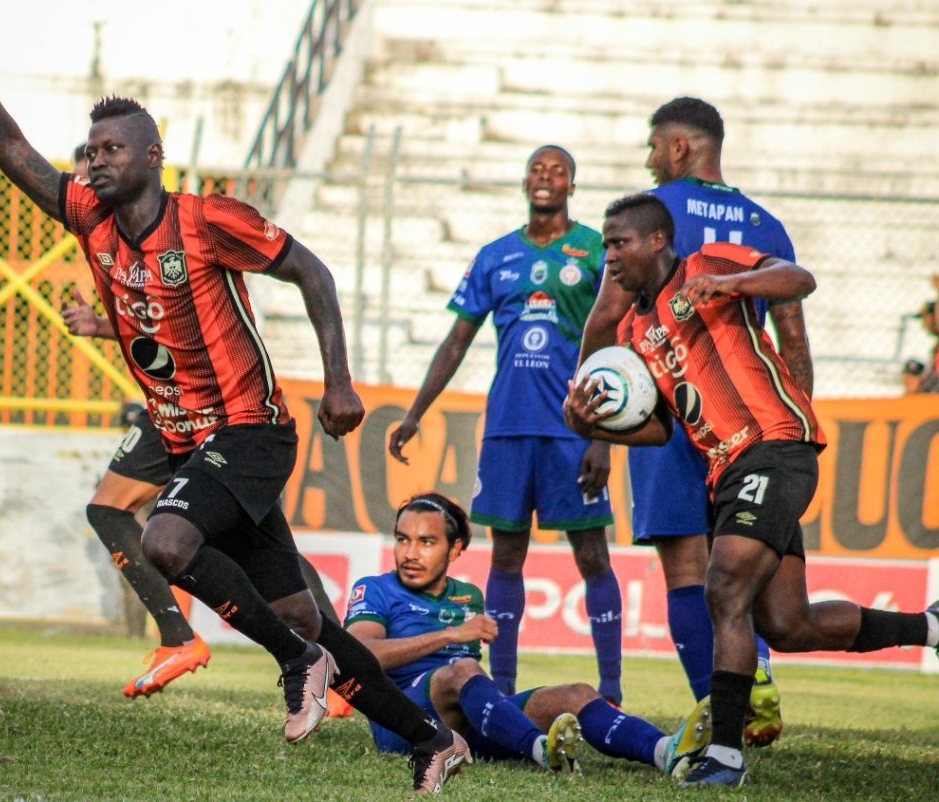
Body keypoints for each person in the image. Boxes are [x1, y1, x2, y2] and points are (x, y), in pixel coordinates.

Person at [0, 5, 468, 792]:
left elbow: (312, 272)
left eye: (112, 149)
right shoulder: (91, 221)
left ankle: (300, 666)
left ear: (154, 157)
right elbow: (10, 149)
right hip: (190, 440)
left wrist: (338, 381)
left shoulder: (208, 219)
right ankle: (431, 740)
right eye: (89, 151)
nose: (94, 162)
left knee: (166, 543)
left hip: (250, 428)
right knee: (303, 612)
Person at [564, 193, 939, 787]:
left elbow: (799, 279)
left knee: (724, 586)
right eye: (606, 245)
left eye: (619, 243)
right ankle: (932, 628)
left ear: (657, 240)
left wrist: (736, 285)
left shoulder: (708, 263)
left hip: (775, 444)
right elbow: (661, 427)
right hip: (728, 469)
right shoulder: (636, 330)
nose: (608, 255)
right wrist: (591, 423)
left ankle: (725, 755)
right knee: (788, 624)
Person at [577, 97, 811, 746]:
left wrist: (597, 428)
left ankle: (725, 711)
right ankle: (752, 684)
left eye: (654, 147)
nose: (649, 160)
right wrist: (795, 428)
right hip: (756, 424)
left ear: (679, 147)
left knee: (687, 570)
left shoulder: (650, 218)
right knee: (741, 578)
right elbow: (793, 338)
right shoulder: (766, 224)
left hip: (671, 412)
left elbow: (605, 320)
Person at [388, 146, 623, 704]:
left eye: (558, 171)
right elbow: (457, 341)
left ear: (573, 184)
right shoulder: (495, 256)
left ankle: (612, 687)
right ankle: (506, 685)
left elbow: (615, 338)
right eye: (538, 170)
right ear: (525, 182)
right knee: (506, 556)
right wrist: (416, 412)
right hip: (508, 430)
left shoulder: (594, 251)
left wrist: (603, 438)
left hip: (574, 429)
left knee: (592, 555)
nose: (546, 178)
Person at [62, 291, 352, 716]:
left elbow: (185, 322)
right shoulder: (144, 242)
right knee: (264, 541)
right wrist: (102, 326)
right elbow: (165, 326)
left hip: (193, 404)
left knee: (111, 508)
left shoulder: (161, 237)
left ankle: (179, 637)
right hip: (194, 405)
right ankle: (342, 674)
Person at [345, 492, 714, 777]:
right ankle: (541, 750)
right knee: (460, 671)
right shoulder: (375, 589)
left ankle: (664, 751)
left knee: (576, 694)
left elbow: (470, 688)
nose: (410, 553)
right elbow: (361, 653)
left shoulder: (468, 596)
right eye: (402, 539)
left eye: (426, 542)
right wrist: (449, 635)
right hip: (403, 728)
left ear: (455, 549)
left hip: (460, 723)